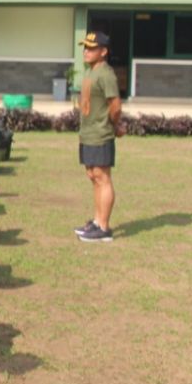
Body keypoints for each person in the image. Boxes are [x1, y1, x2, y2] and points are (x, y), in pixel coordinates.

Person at [75, 31, 123, 242]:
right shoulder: (91, 72)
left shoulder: (106, 74)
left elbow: (115, 105)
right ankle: (96, 221)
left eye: (92, 48)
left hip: (101, 133)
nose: (86, 51)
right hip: (88, 133)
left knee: (102, 178)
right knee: (93, 176)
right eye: (85, 47)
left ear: (103, 52)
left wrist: (115, 125)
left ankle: (103, 227)